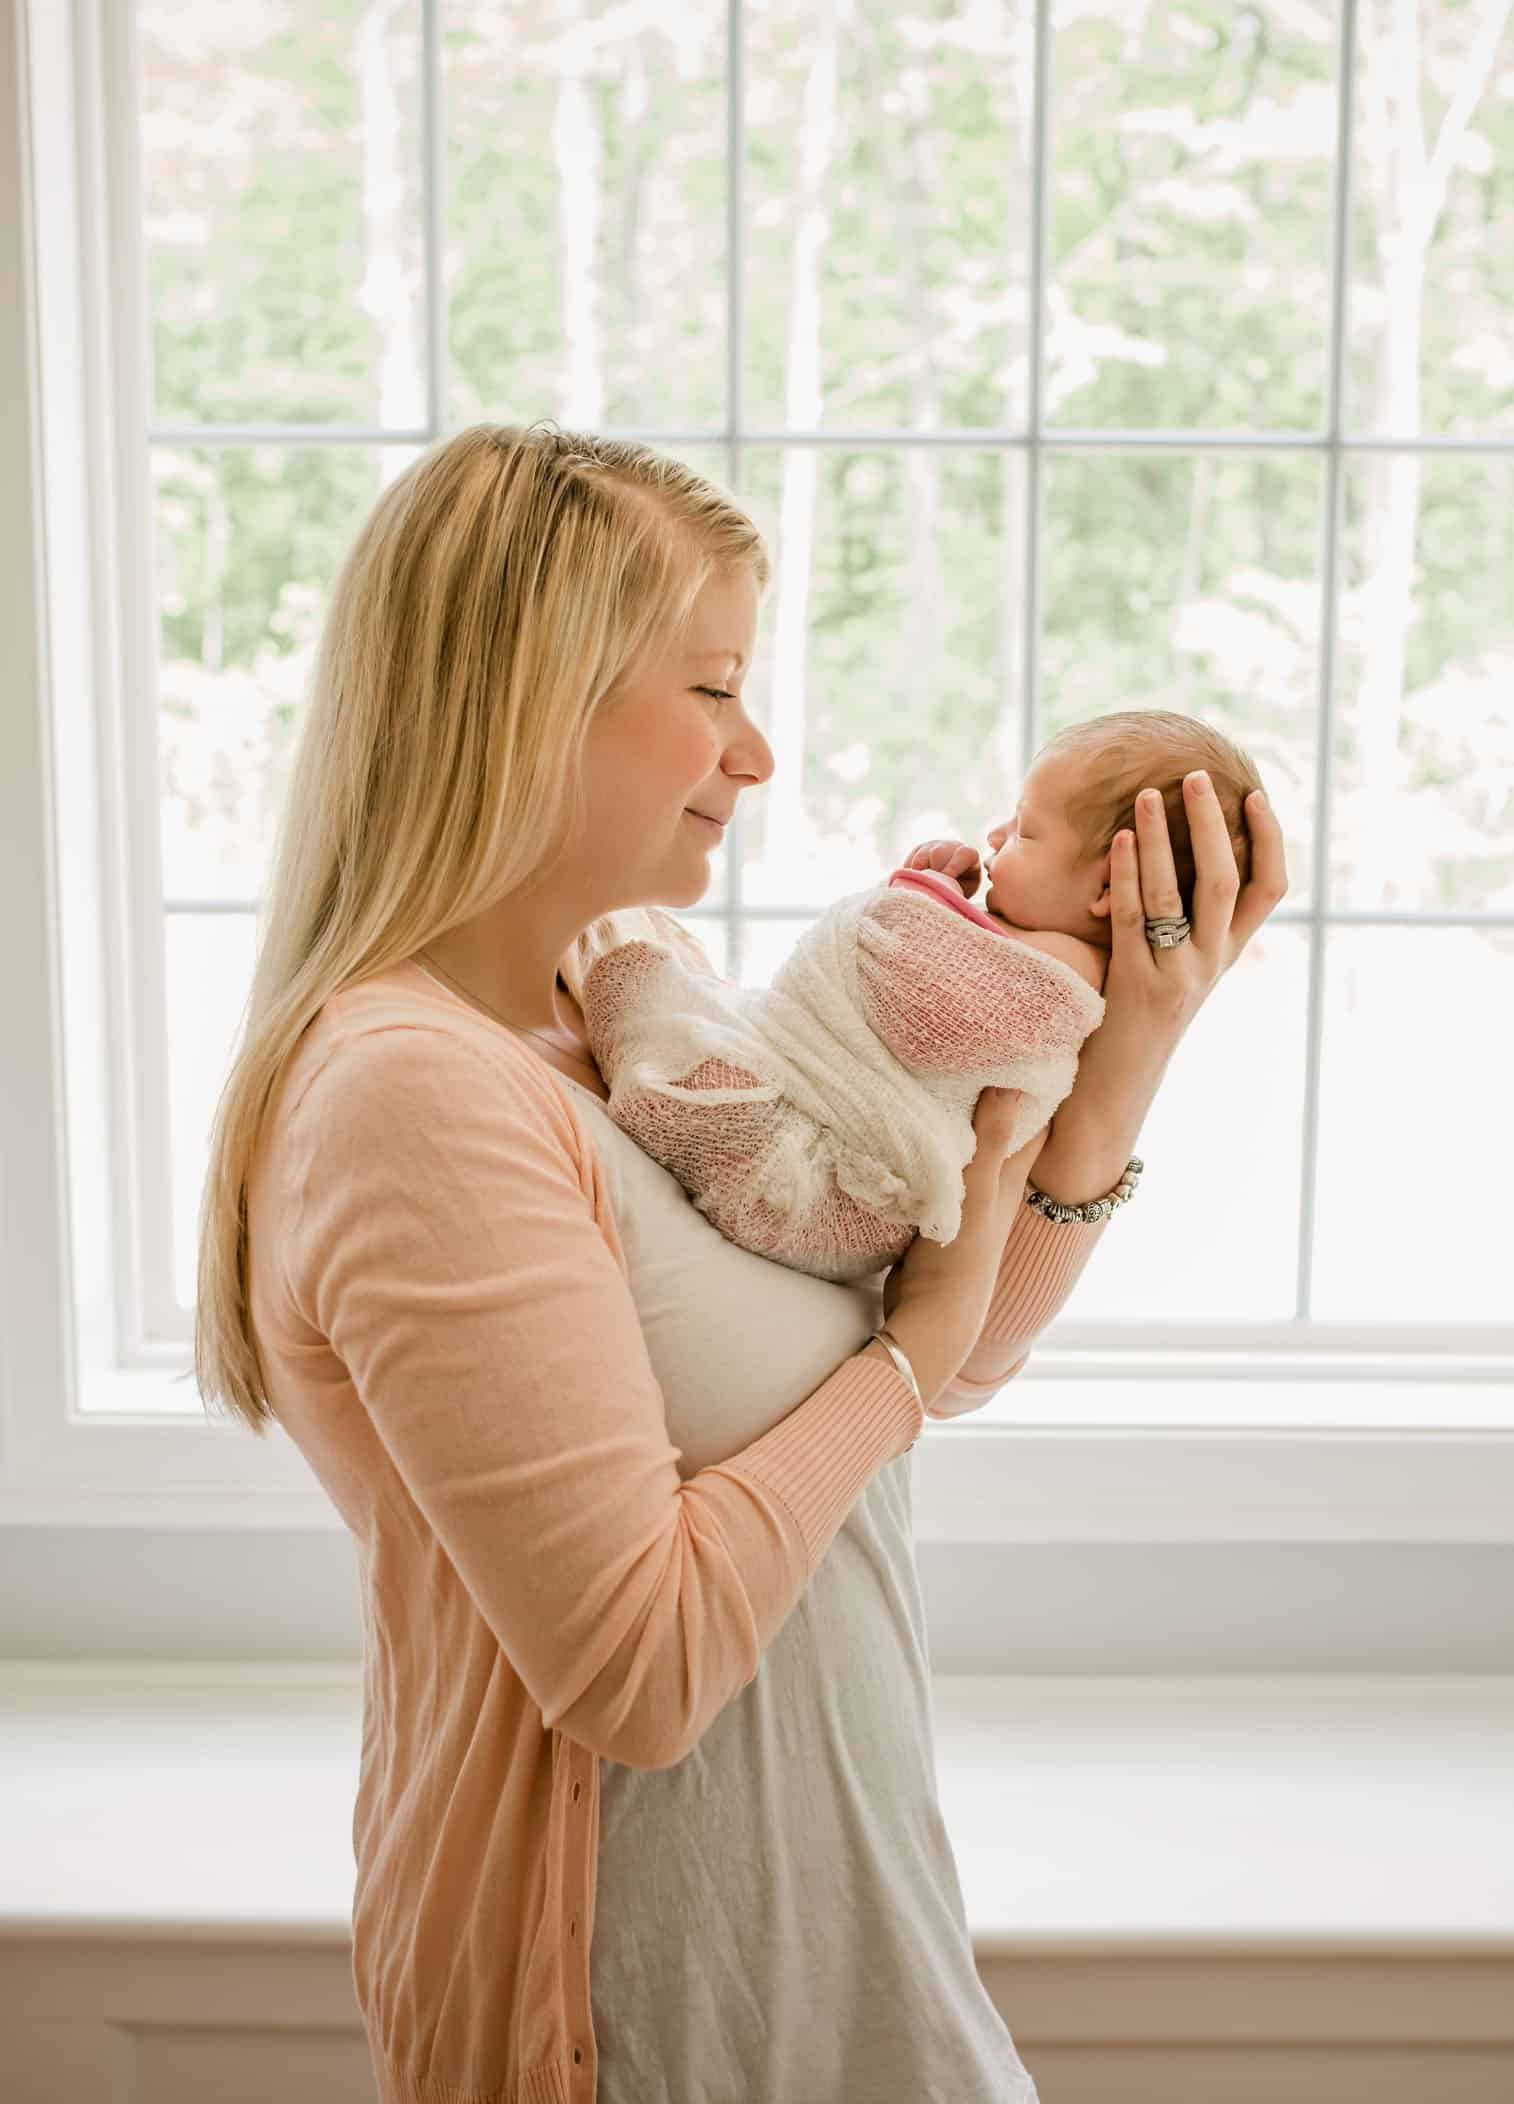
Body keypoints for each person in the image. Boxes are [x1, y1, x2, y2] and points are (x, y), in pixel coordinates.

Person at [194, 422, 1287, 2104]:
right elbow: (638, 1671)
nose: (756, 752)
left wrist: (1127, 1044)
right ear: (527, 699)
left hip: (835, 1928)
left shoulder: (614, 1002)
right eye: (710, 688)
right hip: (636, 1998)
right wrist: (903, 1362)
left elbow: (958, 1348)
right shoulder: (416, 1094)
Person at [521, 710, 1266, 1312]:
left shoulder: (1065, 979)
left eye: (1026, 831)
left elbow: (917, 997)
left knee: (647, 1003)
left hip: (830, 1189)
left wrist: (920, 898)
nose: (996, 838)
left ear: (1108, 890)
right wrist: (936, 894)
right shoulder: (1035, 958)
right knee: (666, 997)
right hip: (818, 1159)